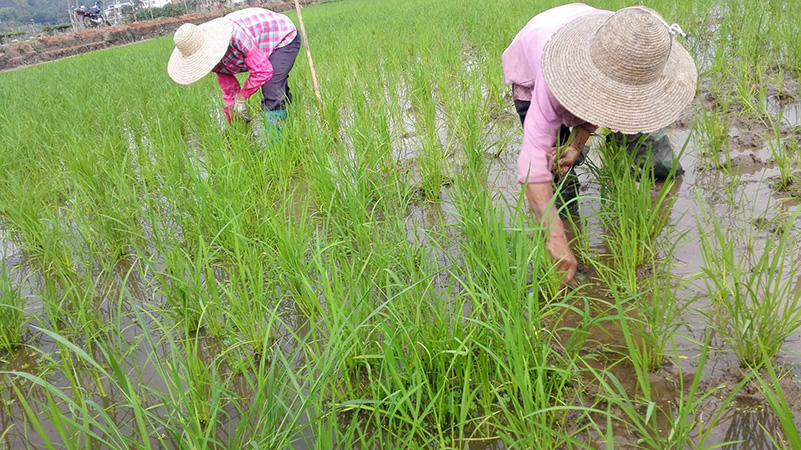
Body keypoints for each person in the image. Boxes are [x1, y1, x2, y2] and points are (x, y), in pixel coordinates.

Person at [502, 3, 697, 283]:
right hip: (536, 62)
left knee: (658, 162)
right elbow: (532, 164)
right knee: (556, 178)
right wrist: (555, 236)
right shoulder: (555, 74)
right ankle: (569, 257)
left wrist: (577, 145)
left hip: (589, 42)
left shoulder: (634, 41)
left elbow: (607, 100)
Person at [167, 8, 300, 137]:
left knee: (272, 86)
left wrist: (242, 97)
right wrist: (232, 112)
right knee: (277, 88)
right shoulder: (212, 60)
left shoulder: (235, 35)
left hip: (282, 37)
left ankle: (277, 143)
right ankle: (290, 125)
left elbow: (263, 71)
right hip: (262, 44)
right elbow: (230, 88)